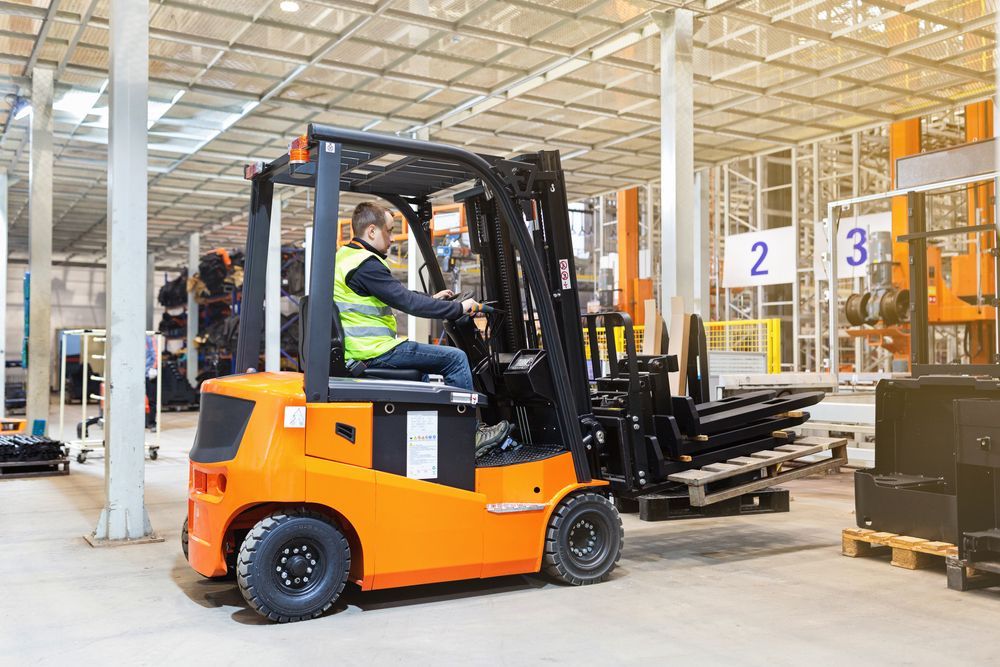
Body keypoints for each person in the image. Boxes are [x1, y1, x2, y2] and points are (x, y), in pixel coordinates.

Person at [334, 201, 511, 447]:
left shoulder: (346, 258)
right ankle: (469, 437)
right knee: (456, 359)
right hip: (372, 350)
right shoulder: (366, 265)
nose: (393, 238)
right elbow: (408, 303)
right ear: (372, 231)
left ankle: (440, 434)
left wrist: (431, 299)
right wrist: (459, 307)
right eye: (390, 230)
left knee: (429, 374)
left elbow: (396, 294)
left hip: (361, 349)